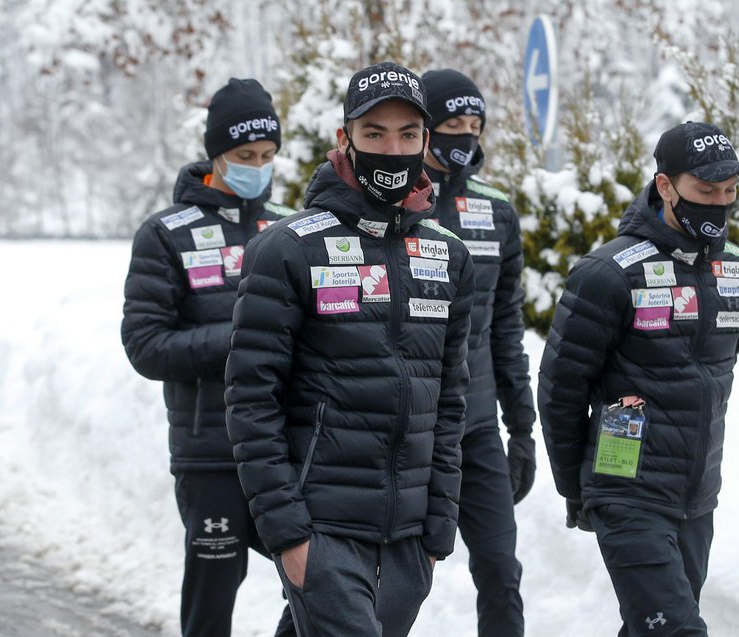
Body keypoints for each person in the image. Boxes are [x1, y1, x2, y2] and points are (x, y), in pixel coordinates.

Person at [225, 61, 475, 637]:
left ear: (426, 142)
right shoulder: (288, 249)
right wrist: (288, 532)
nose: (393, 148)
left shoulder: (448, 256)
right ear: (345, 139)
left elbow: (449, 401)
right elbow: (250, 400)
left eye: (408, 134)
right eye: (374, 134)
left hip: (409, 542)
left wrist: (438, 528)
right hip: (322, 527)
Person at [538, 121, 739, 635]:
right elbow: (560, 389)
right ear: (665, 186)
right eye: (705, 191)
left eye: (729, 193)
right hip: (626, 491)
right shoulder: (608, 272)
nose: (719, 204)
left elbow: (712, 370)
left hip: (697, 496)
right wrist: (578, 487)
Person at [121, 78, 294, 637]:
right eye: (245, 156)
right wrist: (239, 337)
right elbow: (146, 346)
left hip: (285, 450)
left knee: (326, 582)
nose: (258, 167)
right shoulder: (165, 235)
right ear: (216, 153)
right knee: (212, 600)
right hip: (210, 454)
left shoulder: (294, 228)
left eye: (268, 156)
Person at [418, 68, 534, 637]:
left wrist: (523, 427)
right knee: (383, 577)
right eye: (450, 125)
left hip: (477, 423)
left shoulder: (497, 212)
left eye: (473, 125)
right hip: (406, 426)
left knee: (499, 568)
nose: (463, 136)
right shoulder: (393, 203)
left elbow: (506, 326)